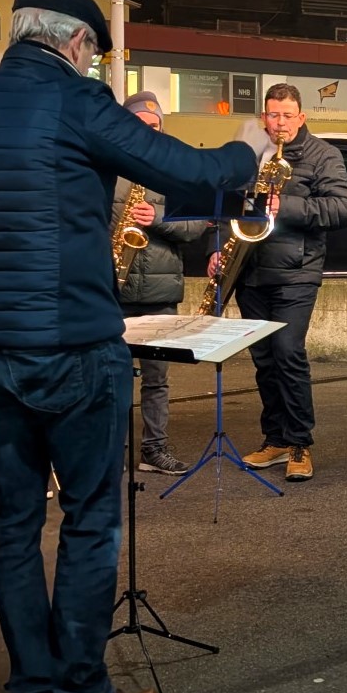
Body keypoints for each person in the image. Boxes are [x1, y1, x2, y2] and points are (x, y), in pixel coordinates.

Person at [0, 0, 256, 693]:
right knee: (88, 520)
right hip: (70, 347)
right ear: (77, 43)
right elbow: (190, 171)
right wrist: (248, 148)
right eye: (93, 55)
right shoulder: (73, 99)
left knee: (12, 527)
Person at [225, 85, 347, 483]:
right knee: (263, 359)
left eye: (286, 116)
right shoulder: (252, 153)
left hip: (297, 270)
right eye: (272, 115)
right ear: (264, 116)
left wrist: (288, 206)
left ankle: (300, 442)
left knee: (287, 352)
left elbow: (342, 207)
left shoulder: (323, 155)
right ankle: (276, 438)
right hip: (252, 269)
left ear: (301, 117)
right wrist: (221, 249)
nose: (278, 123)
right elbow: (229, 203)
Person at [115, 90, 209, 476]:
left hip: (158, 291)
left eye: (154, 126)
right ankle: (112, 453)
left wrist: (158, 219)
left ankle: (153, 449)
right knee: (111, 380)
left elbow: (197, 224)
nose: (148, 132)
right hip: (110, 288)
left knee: (156, 381)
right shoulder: (103, 166)